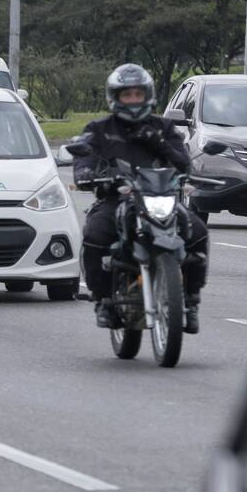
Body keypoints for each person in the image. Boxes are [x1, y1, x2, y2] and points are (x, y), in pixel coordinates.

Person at [74, 63, 209, 333]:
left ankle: (191, 302)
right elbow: (84, 156)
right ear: (116, 97)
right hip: (118, 199)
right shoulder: (99, 128)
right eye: (127, 95)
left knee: (198, 233)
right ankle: (103, 300)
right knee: (95, 234)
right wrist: (86, 172)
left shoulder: (165, 127)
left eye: (138, 94)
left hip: (161, 198)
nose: (134, 100)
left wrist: (156, 142)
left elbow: (184, 163)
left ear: (148, 95)